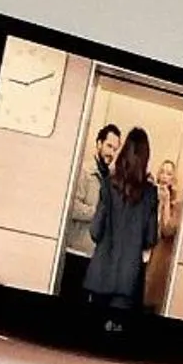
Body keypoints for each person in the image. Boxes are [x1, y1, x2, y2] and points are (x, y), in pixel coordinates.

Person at [83, 128, 162, 309]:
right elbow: (150, 239)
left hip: (100, 275)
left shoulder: (108, 184)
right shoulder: (150, 193)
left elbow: (95, 231)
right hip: (128, 280)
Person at [59, 124, 121, 299]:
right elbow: (72, 208)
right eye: (109, 146)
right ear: (99, 143)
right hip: (76, 252)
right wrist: (100, 213)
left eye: (115, 149)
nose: (111, 153)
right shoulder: (84, 171)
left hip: (96, 257)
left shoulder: (111, 177)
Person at [142, 159, 183, 311]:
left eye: (169, 174)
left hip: (157, 261)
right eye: (162, 172)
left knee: (149, 302)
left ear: (173, 179)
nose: (165, 176)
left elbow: (167, 230)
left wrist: (166, 203)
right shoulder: (148, 196)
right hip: (140, 255)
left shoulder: (176, 206)